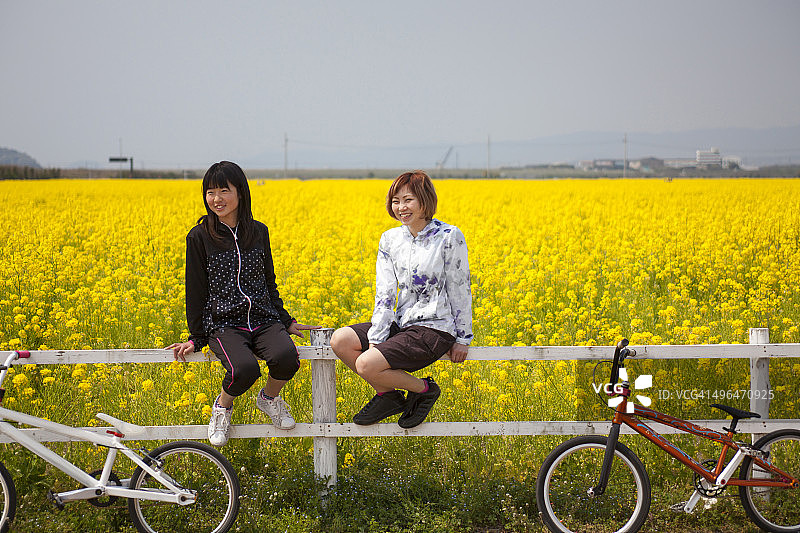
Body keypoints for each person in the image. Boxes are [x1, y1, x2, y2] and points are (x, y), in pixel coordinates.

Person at [168, 161, 316, 446]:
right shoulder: (199, 237)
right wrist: (196, 338)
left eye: (224, 190)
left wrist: (285, 320)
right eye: (210, 192)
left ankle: (269, 399)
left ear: (241, 193)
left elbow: (268, 280)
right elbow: (195, 290)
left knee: (287, 357)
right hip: (224, 324)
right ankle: (222, 407)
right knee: (244, 369)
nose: (217, 199)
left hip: (263, 318)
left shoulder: (258, 232)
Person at [330, 170, 473, 428]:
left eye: (408, 200)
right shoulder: (391, 239)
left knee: (365, 364)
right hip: (403, 325)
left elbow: (460, 287)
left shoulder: (449, 236)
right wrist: (377, 338)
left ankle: (425, 389)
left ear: (424, 200)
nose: (401, 207)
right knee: (341, 340)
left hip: (434, 328)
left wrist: (463, 338)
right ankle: (389, 395)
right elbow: (385, 293)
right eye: (396, 200)